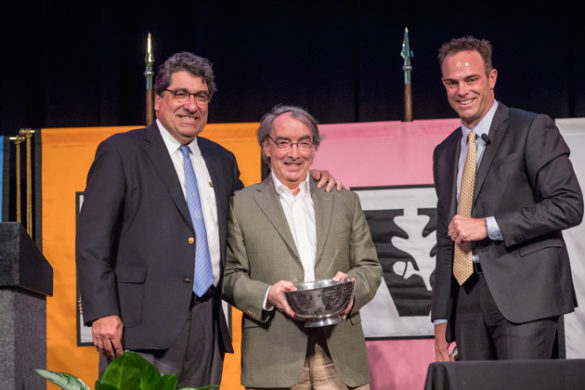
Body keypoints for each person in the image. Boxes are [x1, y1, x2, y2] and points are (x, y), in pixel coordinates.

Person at [76, 52, 340, 387]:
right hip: (138, 327)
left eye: (201, 96)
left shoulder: (221, 160)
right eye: (181, 94)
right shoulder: (121, 152)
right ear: (158, 101)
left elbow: (257, 213)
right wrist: (101, 312)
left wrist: (305, 179)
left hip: (207, 323)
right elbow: (91, 243)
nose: (192, 105)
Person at [431, 36, 584, 361]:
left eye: (471, 79)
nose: (462, 91)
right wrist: (442, 316)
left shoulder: (531, 128)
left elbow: (568, 205)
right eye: (452, 82)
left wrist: (488, 226)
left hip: (526, 296)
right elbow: (447, 240)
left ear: (491, 78)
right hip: (467, 301)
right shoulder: (445, 152)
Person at [222, 105, 382, 389]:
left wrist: (349, 290)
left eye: (304, 143)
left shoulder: (343, 199)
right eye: (283, 143)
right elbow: (229, 276)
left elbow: (370, 266)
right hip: (273, 356)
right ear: (266, 147)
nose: (294, 153)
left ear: (314, 148)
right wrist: (268, 294)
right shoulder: (241, 205)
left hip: (339, 353)